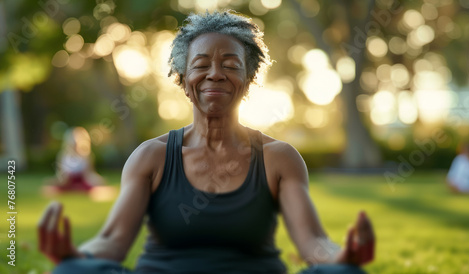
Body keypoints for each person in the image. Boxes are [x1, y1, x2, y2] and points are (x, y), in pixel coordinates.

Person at [38, 11, 375, 274]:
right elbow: (112, 241)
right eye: (202, 65)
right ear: (183, 81)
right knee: (72, 270)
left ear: (247, 81)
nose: (215, 74)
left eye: (230, 65)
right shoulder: (152, 157)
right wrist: (77, 255)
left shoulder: (278, 158)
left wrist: (340, 256)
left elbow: (312, 242)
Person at [43, 127, 104, 193]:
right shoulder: (63, 156)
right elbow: (61, 174)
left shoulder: (87, 157)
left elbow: (88, 174)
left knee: (96, 186)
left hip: (83, 181)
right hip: (67, 181)